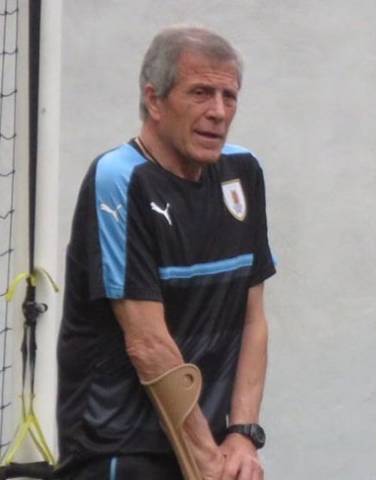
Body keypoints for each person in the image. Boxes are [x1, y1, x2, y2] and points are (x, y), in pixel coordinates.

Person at [56, 25, 274, 480]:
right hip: (120, 449)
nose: (218, 112)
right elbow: (147, 343)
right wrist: (205, 460)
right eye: (200, 93)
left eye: (229, 96)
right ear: (154, 101)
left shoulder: (243, 172)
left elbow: (252, 320)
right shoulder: (120, 179)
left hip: (208, 442)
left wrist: (242, 435)